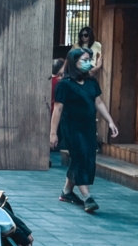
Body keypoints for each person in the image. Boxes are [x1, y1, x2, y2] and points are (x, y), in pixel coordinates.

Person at [50, 47, 118, 213]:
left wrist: (110, 121)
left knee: (86, 158)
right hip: (72, 128)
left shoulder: (91, 82)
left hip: (88, 127)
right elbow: (57, 110)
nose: (89, 63)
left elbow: (98, 102)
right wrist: (53, 133)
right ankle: (87, 197)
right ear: (74, 62)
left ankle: (67, 192)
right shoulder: (64, 85)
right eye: (84, 60)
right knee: (80, 158)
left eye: (90, 60)